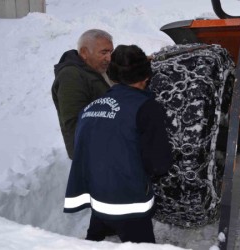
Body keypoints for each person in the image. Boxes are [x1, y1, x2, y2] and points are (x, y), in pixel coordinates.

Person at [63, 45, 173, 243]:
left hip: (98, 202)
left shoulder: (91, 107)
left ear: (112, 76)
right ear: (146, 77)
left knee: (93, 242)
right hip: (129, 207)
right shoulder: (146, 107)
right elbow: (158, 163)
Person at [51, 29, 114, 160]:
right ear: (84, 53)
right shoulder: (71, 76)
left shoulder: (97, 69)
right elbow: (74, 124)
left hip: (107, 147)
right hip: (93, 154)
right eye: (104, 52)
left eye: (110, 52)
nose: (109, 58)